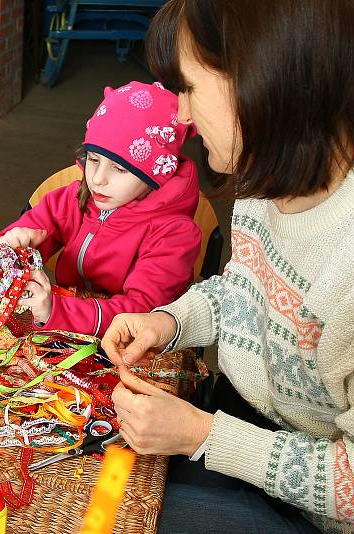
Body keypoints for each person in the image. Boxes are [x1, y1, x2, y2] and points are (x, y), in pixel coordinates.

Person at [103, 1, 354, 532]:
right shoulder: (267, 178)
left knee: (106, 516)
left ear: (265, 79)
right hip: (241, 428)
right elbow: (243, 290)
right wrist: (169, 322)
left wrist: (202, 437)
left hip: (312, 512)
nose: (181, 116)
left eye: (190, 88)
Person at [0, 81, 201, 337]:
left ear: (154, 175)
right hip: (63, 327)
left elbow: (142, 313)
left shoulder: (175, 234)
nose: (97, 179)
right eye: (93, 159)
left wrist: (55, 312)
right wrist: (4, 249)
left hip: (128, 346)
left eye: (120, 169)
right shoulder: (71, 199)